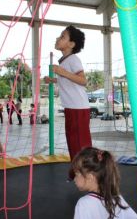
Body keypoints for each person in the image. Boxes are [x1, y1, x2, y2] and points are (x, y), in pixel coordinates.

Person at [44, 25, 92, 172]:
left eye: (63, 36)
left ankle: (91, 175)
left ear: (71, 44)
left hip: (79, 108)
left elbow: (83, 81)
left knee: (81, 144)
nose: (58, 38)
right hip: (71, 108)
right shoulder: (64, 61)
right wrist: (53, 80)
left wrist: (62, 72)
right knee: (72, 142)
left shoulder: (73, 59)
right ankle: (78, 173)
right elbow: (69, 82)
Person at [71, 147, 137, 219]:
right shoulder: (117, 198)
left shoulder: (83, 204)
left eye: (77, 174)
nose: (74, 179)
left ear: (90, 177)